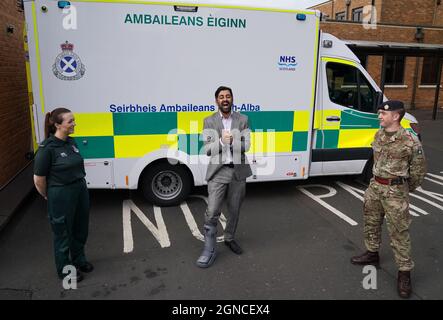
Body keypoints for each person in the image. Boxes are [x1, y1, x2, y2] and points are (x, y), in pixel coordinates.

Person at [351, 100, 426, 298]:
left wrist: (402, 188)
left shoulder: (410, 140)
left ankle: (404, 273)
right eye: (379, 114)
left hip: (395, 191)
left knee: (399, 232)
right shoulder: (379, 134)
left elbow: (418, 171)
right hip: (375, 187)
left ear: (396, 116)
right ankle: (372, 254)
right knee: (371, 223)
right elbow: (377, 160)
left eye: (383, 114)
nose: (379, 116)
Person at [33, 107, 93, 282]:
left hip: (79, 189)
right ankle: (66, 270)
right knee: (63, 233)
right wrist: (48, 195)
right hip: (60, 193)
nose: (74, 124)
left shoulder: (71, 143)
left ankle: (79, 260)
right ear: (58, 125)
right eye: (70, 121)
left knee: (80, 228)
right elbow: (39, 179)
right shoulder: (47, 149)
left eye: (74, 120)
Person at [196, 86, 252, 268]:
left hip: (238, 171)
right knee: (212, 211)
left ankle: (229, 237)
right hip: (218, 172)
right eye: (221, 97)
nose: (225, 99)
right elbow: (207, 150)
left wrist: (233, 141)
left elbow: (247, 146)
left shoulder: (243, 119)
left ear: (232, 99)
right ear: (217, 101)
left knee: (234, 210)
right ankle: (209, 249)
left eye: (228, 96)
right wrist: (221, 141)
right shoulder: (208, 121)